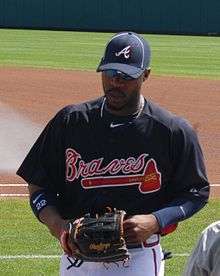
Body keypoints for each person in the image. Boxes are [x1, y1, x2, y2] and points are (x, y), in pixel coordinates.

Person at [16, 31, 210, 276]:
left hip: (138, 256)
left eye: (126, 76)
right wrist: (59, 226)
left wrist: (156, 220)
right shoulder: (71, 121)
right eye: (109, 73)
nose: (116, 82)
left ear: (146, 75)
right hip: (76, 256)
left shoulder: (171, 131)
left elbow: (196, 192)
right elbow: (38, 185)